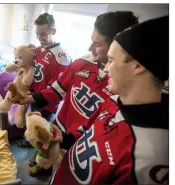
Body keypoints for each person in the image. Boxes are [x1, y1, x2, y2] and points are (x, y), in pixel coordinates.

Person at [16, 11, 139, 176]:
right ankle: (45, 166)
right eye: (91, 41)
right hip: (59, 127)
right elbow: (57, 89)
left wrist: (68, 141)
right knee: (48, 156)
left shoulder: (127, 88)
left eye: (98, 44)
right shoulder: (82, 62)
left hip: (85, 144)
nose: (90, 49)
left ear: (119, 47)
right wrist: (29, 98)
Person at [50, 15, 169, 184]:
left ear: (138, 65)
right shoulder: (114, 101)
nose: (105, 68)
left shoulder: (151, 156)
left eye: (111, 60)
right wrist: (63, 139)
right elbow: (86, 133)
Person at [17, 12, 72, 176]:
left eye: (43, 34)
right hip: (33, 96)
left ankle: (42, 159)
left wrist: (41, 97)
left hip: (47, 102)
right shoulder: (39, 49)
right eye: (37, 34)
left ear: (53, 31)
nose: (40, 37)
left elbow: (61, 86)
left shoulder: (62, 57)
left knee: (43, 132)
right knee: (32, 122)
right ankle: (30, 140)